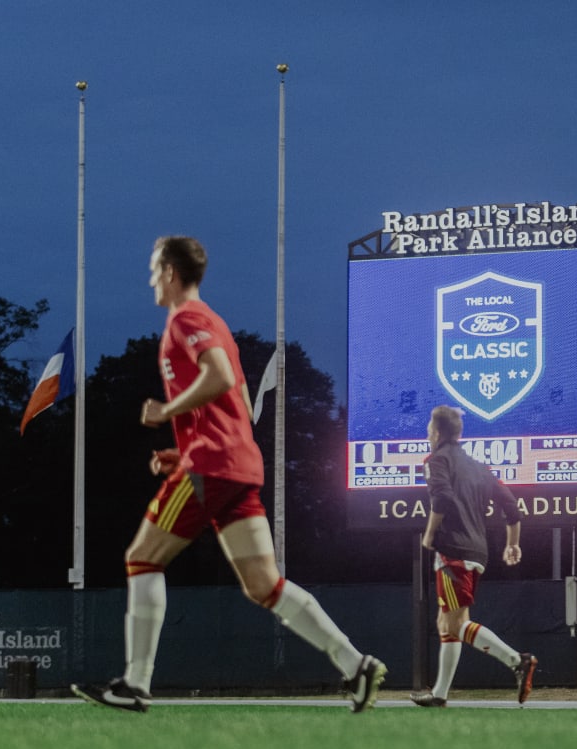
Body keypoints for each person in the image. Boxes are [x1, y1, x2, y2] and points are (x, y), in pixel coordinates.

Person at [72, 236, 386, 713]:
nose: (151, 279)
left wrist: (167, 412)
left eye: (155, 269)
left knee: (142, 558)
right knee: (265, 585)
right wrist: (182, 455)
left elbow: (217, 376)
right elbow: (234, 403)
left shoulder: (188, 318)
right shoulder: (214, 321)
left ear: (172, 273)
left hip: (213, 465)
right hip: (235, 465)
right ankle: (355, 663)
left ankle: (135, 684)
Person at [411, 405, 536, 708]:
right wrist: (512, 544)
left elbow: (441, 497)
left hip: (453, 554)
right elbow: (512, 507)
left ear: (437, 432)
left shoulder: (435, 460)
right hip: (477, 551)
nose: (428, 432)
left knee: (454, 625)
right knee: (447, 623)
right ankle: (440, 694)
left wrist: (429, 534)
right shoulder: (479, 466)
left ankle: (517, 661)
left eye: (430, 427)